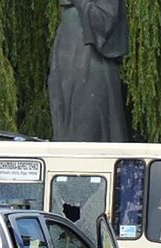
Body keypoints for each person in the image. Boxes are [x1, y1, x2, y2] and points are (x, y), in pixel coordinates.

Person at [49, 0, 129, 142]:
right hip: (66, 56)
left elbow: (105, 21)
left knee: (89, 124)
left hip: (92, 58)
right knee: (66, 128)